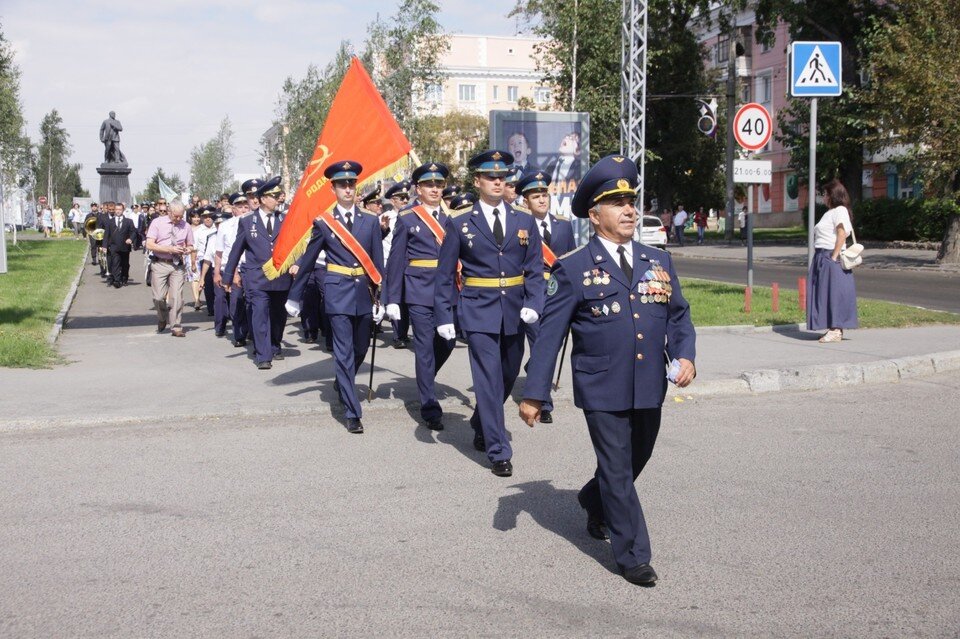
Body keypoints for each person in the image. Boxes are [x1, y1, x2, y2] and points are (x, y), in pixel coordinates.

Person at [519, 153, 697, 587]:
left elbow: (678, 314)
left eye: (631, 201)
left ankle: (591, 499)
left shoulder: (657, 260)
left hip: (647, 383)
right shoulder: (574, 268)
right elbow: (551, 335)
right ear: (595, 215)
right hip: (601, 385)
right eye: (618, 204)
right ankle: (633, 554)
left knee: (638, 457)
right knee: (617, 468)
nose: (630, 210)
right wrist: (534, 393)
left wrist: (685, 353)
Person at [435, 149, 544, 477]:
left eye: (502, 177)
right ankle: (499, 450)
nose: (498, 182)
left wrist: (534, 304)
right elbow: (443, 276)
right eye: (491, 177)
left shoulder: (524, 220)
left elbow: (535, 270)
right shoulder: (460, 223)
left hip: (514, 309)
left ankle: (482, 421)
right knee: (487, 378)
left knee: (508, 376)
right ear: (478, 181)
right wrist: (444, 316)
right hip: (478, 310)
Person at [286, 161, 385, 434]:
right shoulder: (325, 222)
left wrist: (382, 299)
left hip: (364, 292)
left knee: (360, 347)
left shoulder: (371, 220)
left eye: (351, 184)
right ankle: (352, 411)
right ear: (333, 189)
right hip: (337, 290)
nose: (348, 189)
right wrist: (295, 296)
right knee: (342, 351)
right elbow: (307, 261)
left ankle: (344, 381)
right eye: (342, 184)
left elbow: (378, 261)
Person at [384, 161, 458, 431]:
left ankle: (424, 378)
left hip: (448, 291)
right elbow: (396, 260)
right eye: (429, 184)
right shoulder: (408, 218)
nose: (435, 189)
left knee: (447, 344)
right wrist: (391, 298)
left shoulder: (454, 218)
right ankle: (430, 406)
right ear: (418, 188)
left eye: (439, 184)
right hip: (419, 291)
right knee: (424, 348)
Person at [516, 168, 576, 424]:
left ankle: (534, 369)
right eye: (535, 196)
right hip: (533, 292)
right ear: (525, 201)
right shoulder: (520, 226)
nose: (542, 200)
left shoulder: (563, 224)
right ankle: (545, 402)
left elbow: (571, 259)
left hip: (559, 294)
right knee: (542, 341)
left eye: (544, 195)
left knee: (554, 343)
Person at [223, 177, 293, 369]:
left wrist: (297, 263)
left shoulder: (284, 219)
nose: (277, 199)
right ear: (262, 199)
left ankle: (274, 344)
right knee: (260, 313)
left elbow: (296, 245)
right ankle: (263, 355)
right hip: (257, 277)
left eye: (278, 195)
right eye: (273, 196)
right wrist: (228, 277)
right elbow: (236, 250)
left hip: (280, 276)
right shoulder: (247, 222)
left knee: (278, 315)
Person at [808, 179, 858, 343]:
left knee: (834, 293)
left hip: (830, 256)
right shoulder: (829, 212)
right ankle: (833, 328)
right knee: (825, 293)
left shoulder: (840, 210)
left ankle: (836, 330)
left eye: (825, 193)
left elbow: (842, 233)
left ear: (833, 195)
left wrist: (834, 257)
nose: (823, 197)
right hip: (822, 255)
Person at [145, 200, 194, 336]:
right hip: (160, 263)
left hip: (177, 265)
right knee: (159, 297)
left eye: (181, 216)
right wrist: (169, 249)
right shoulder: (157, 223)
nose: (178, 219)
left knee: (177, 297)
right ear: (169, 212)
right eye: (175, 216)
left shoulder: (186, 226)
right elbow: (149, 244)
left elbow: (191, 245)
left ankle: (176, 326)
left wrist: (186, 249)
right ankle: (162, 317)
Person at [215, 191, 253, 348]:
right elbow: (219, 252)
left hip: (251, 268)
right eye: (239, 207)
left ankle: (252, 331)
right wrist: (217, 273)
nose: (243, 210)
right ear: (232, 209)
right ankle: (239, 334)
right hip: (233, 269)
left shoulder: (255, 223)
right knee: (236, 302)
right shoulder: (224, 226)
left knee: (252, 302)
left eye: (246, 206)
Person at [383, 180, 412, 348]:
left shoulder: (412, 216)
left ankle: (404, 331)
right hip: (391, 263)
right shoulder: (385, 218)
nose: (405, 202)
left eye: (406, 199)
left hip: (409, 263)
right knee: (396, 298)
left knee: (407, 300)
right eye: (401, 199)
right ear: (393, 200)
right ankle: (397, 334)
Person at [103, 201, 137, 287]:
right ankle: (117, 280)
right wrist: (104, 246)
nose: (118, 211)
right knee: (115, 263)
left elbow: (133, 232)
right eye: (116, 209)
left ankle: (124, 278)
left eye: (120, 209)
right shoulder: (110, 221)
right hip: (114, 246)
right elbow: (106, 234)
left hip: (125, 246)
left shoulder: (129, 221)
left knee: (125, 264)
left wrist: (130, 239)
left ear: (123, 210)